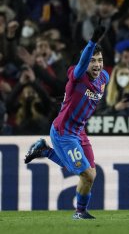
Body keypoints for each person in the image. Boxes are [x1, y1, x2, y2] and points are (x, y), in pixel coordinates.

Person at [23, 23, 107, 220]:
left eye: (100, 60)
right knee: (87, 174)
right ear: (84, 63)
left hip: (80, 131)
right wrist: (93, 41)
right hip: (64, 132)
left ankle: (44, 150)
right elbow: (81, 65)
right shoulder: (76, 77)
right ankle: (79, 213)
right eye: (92, 60)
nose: (96, 65)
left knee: (89, 175)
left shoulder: (104, 78)